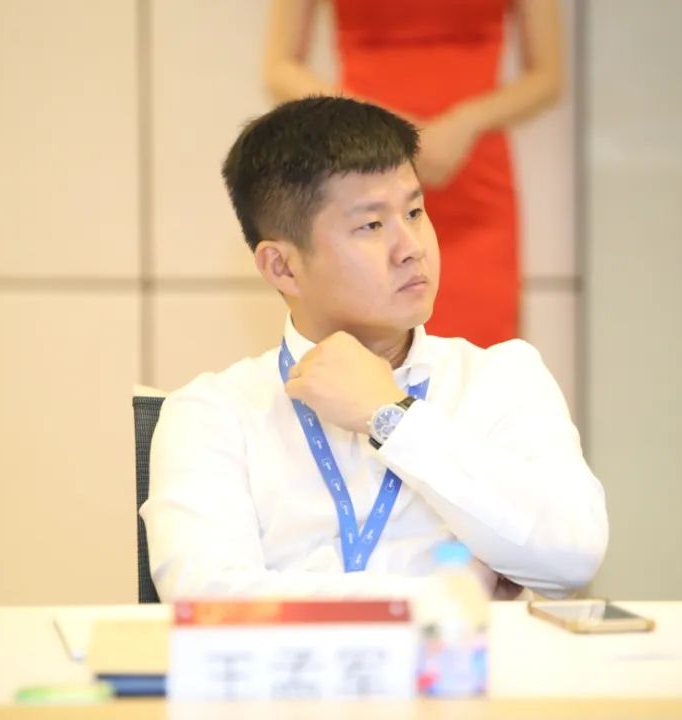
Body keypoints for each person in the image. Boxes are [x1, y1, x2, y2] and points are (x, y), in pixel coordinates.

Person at [139, 97, 607, 601]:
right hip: (369, 657)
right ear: (282, 267)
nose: (412, 248)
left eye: (415, 211)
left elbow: (572, 557)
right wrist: (447, 596)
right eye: (372, 225)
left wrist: (392, 416)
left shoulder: (501, 378)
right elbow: (208, 602)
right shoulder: (213, 413)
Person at [261, 0, 564, 348]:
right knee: (362, 345)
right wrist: (374, 119)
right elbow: (280, 67)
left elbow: (547, 76)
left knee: (482, 351)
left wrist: (467, 122)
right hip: (362, 167)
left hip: (471, 176)